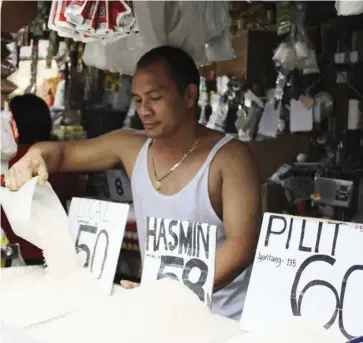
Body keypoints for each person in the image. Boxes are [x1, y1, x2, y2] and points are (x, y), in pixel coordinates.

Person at [5, 46, 261, 320]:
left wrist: (172, 294)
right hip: (156, 313)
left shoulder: (230, 158)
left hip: (224, 319)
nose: (144, 110)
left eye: (155, 98)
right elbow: (64, 154)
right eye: (137, 100)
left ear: (189, 95)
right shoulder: (131, 147)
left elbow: (241, 245)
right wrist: (34, 156)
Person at [2, 94, 84, 264]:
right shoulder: (54, 158)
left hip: (11, 253)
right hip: (51, 253)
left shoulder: (8, 160)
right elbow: (78, 189)